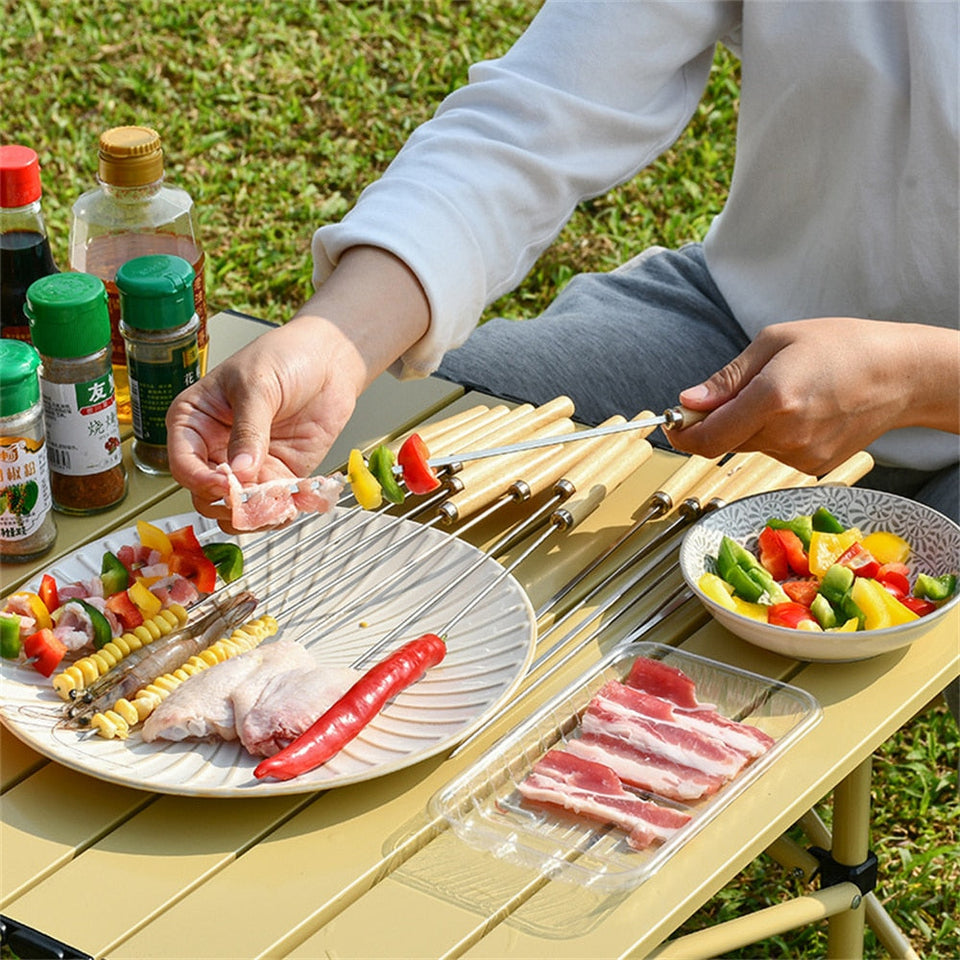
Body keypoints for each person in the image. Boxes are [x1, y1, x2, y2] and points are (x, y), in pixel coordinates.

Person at [167, 0, 959, 528]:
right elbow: (545, 109)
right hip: (739, 329)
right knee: (419, 416)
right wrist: (337, 340)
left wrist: (916, 379)